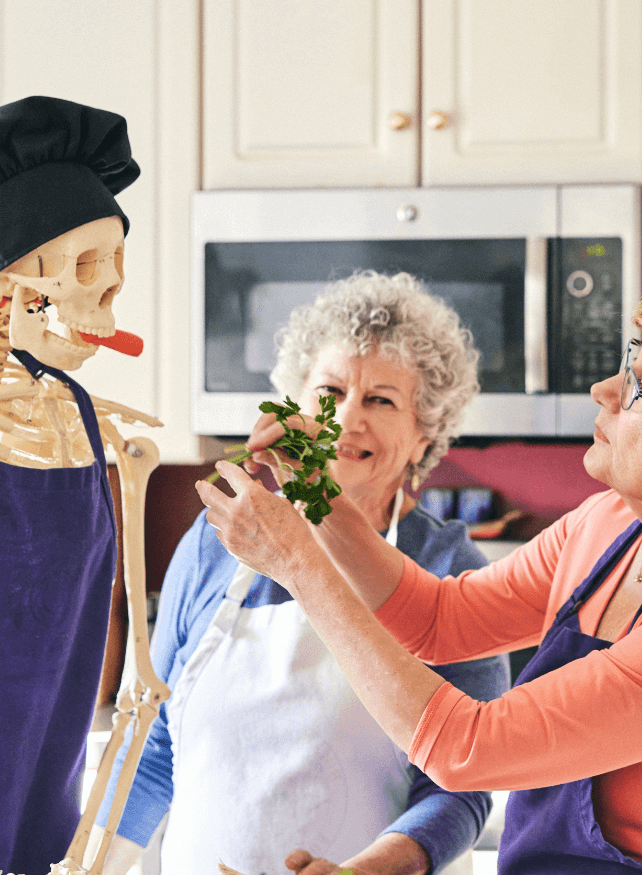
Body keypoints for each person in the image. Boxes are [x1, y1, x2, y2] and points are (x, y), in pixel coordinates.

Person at [199, 260, 642, 875]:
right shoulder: (610, 523)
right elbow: (438, 620)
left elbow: (465, 747)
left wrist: (299, 565)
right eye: (624, 367)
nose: (605, 392)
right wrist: (314, 488)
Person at [93, 271, 510, 875]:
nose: (346, 420)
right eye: (330, 392)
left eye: (381, 400)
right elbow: (154, 746)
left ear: (424, 436)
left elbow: (461, 787)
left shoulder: (449, 574)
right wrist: (90, 865)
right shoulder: (216, 545)